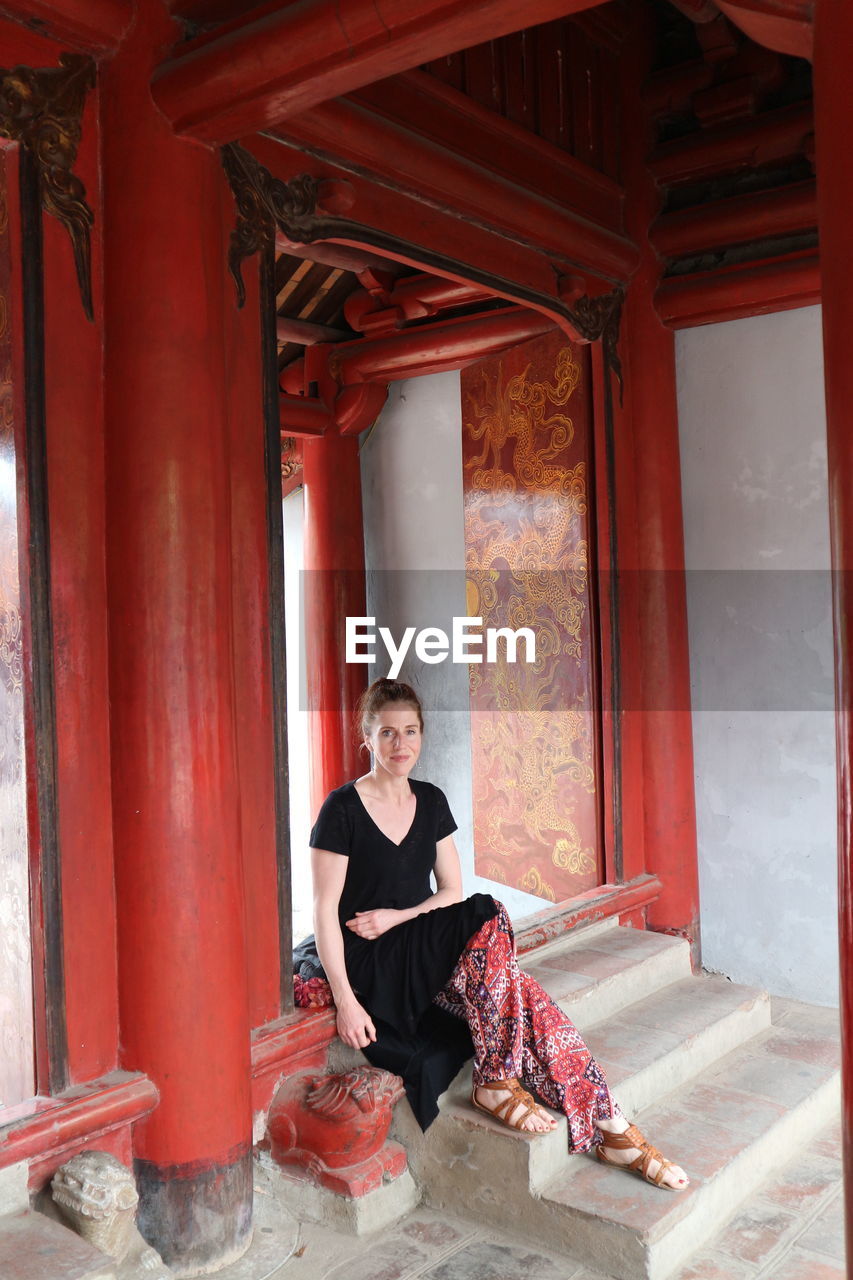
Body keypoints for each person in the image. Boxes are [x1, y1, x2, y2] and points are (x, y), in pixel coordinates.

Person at [310, 676, 689, 1191]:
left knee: (525, 996)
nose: (401, 746)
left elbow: (449, 893)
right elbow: (323, 910)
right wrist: (347, 1001)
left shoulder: (431, 801)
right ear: (367, 740)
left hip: (416, 938)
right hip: (371, 958)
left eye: (411, 732)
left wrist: (397, 916)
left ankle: (614, 1127)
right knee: (489, 914)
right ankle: (500, 1083)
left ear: (422, 736)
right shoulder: (342, 809)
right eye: (388, 734)